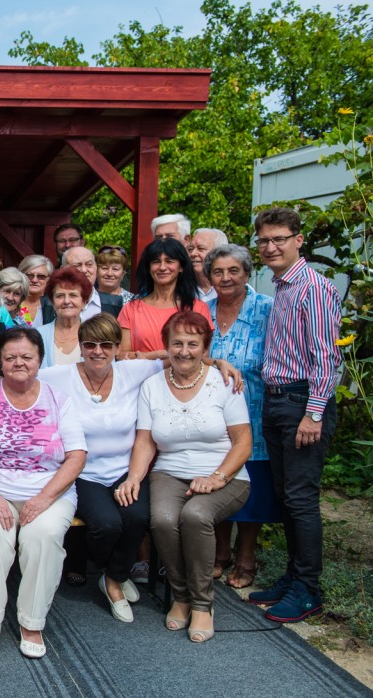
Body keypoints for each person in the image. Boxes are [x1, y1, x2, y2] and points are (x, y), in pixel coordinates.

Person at [118, 310, 251, 643]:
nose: (184, 351)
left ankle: (203, 603)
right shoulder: (152, 386)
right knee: (162, 520)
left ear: (205, 347)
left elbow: (243, 442)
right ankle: (181, 596)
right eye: (177, 343)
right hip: (170, 471)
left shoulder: (224, 382)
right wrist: (134, 477)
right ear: (167, 346)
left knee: (195, 516)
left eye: (193, 344)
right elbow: (146, 440)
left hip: (226, 473)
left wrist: (218, 477)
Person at [0, 327, 86, 658]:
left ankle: (32, 621)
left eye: (27, 356)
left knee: (43, 536)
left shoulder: (59, 400)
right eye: (10, 357)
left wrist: (43, 499)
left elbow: (77, 456)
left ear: (40, 360)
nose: (19, 363)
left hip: (48, 489)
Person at [248, 207, 341, 623]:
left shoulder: (313, 288)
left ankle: (308, 591)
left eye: (279, 239)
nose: (271, 247)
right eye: (264, 240)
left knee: (301, 498)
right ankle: (293, 577)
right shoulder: (282, 286)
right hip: (278, 401)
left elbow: (327, 358)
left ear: (298, 240)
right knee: (287, 495)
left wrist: (314, 413)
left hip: (303, 402)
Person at [36, 315, 159, 623]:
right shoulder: (59, 375)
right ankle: (116, 579)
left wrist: (218, 363)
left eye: (106, 344)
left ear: (117, 347)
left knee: (138, 517)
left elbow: (176, 359)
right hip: (82, 472)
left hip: (125, 469)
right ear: (80, 347)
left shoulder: (133, 371)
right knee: (107, 524)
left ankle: (113, 577)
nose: (98, 351)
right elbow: (17, 372)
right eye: (90, 344)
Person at [205, 244, 277, 589]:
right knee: (219, 481)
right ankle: (220, 552)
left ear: (247, 273)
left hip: (256, 415)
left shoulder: (267, 309)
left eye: (233, 270)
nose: (225, 278)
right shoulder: (203, 310)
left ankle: (246, 556)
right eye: (218, 272)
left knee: (254, 489)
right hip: (213, 418)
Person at [118, 237, 211, 360]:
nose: (162, 267)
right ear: (148, 268)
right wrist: (157, 355)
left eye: (169, 261)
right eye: (156, 261)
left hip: (184, 372)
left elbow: (203, 355)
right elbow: (121, 355)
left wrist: (147, 357)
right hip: (141, 373)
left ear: (181, 267)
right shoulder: (131, 308)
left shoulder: (198, 307)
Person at [40, 246, 123, 323]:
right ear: (63, 270)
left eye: (89, 264)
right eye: (77, 265)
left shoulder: (114, 304)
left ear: (96, 267)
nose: (84, 270)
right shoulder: (46, 305)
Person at [37, 268, 92, 367]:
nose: (66, 301)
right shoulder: (38, 335)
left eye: (73, 295)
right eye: (60, 296)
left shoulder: (96, 334)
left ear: (84, 302)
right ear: (52, 302)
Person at [189, 228, 228, 303]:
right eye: (190, 249)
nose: (193, 253)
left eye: (200, 248)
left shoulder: (235, 288)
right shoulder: (179, 287)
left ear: (219, 253)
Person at [17, 254, 53, 327]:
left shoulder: (53, 306)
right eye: (29, 275)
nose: (34, 280)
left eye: (41, 276)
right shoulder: (12, 303)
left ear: (48, 279)